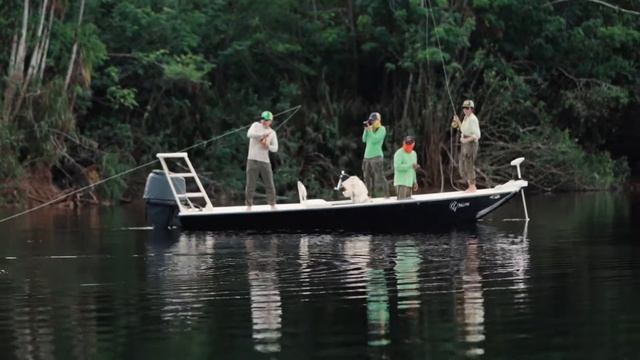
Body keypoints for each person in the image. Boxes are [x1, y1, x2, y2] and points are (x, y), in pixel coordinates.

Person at [245, 110, 278, 209]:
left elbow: (275, 148)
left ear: (270, 121)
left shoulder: (272, 132)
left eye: (267, 120)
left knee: (269, 184)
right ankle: (248, 205)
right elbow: (249, 134)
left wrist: (268, 146)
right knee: (250, 184)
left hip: (265, 161)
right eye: (263, 119)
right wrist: (261, 136)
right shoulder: (255, 125)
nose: (264, 121)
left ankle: (272, 204)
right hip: (252, 159)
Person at [452, 99, 481, 192]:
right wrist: (457, 122)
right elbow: (463, 129)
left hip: (471, 144)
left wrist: (465, 140)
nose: (465, 110)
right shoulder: (465, 117)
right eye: (464, 108)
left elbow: (477, 135)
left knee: (469, 164)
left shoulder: (473, 119)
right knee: (462, 165)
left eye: (467, 108)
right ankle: (470, 185)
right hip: (465, 143)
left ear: (471, 109)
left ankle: (472, 186)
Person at [361, 112, 389, 198]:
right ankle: (368, 195)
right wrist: (366, 130)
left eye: (374, 120)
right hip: (367, 157)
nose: (372, 122)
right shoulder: (370, 129)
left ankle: (386, 194)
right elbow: (364, 140)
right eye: (371, 121)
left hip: (376, 156)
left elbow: (375, 140)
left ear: (378, 120)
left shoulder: (382, 129)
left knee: (379, 176)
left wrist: (369, 130)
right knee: (367, 177)